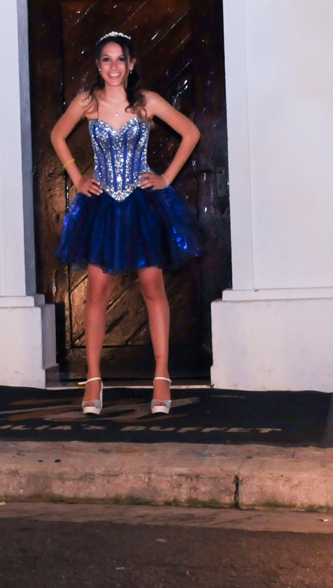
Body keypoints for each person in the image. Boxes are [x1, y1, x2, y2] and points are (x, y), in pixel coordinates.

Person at [50, 32, 205, 416]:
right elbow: (57, 135)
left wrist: (166, 177)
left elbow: (191, 133)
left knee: (153, 286)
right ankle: (93, 379)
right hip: (102, 207)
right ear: (98, 65)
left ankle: (162, 375)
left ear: (131, 64)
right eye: (107, 59)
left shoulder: (146, 102)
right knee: (98, 291)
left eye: (120, 59)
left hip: (142, 205)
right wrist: (77, 178)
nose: (114, 66)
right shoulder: (87, 103)